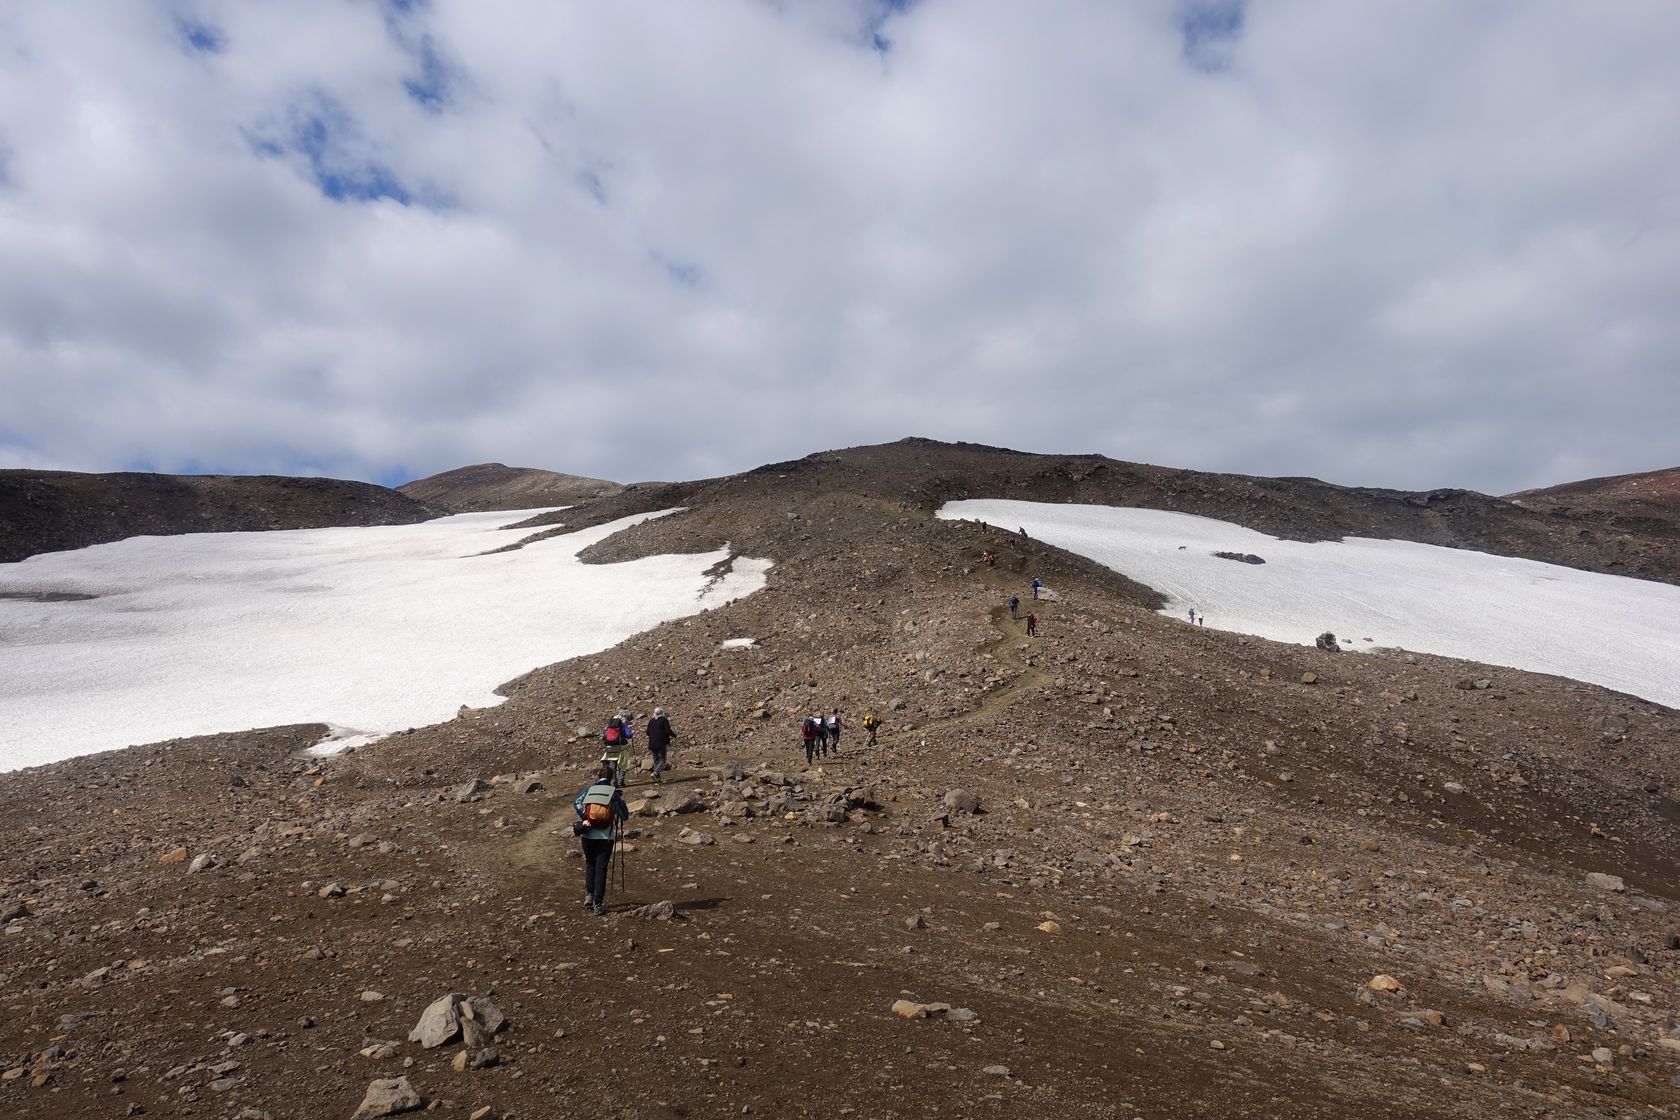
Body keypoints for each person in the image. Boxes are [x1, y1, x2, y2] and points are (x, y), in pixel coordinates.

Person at [574, 764, 628, 916]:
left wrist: (586, 818)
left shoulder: (589, 789)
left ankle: (589, 896)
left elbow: (576, 802)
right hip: (605, 837)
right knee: (601, 868)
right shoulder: (612, 793)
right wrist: (619, 802)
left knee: (590, 864)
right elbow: (624, 815)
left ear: (598, 777)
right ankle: (598, 903)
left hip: (588, 835)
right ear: (611, 778)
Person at [600, 714, 633, 788]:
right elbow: (629, 735)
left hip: (610, 748)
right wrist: (630, 733)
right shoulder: (622, 725)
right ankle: (620, 782)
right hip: (621, 748)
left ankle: (613, 783)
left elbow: (605, 737)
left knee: (612, 766)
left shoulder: (609, 726)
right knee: (623, 764)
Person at [645, 706, 676, 782]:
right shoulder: (664, 720)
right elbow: (668, 731)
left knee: (656, 761)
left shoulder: (651, 721)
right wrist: (674, 735)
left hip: (652, 744)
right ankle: (655, 772)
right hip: (661, 743)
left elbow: (647, 733)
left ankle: (657, 779)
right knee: (663, 760)